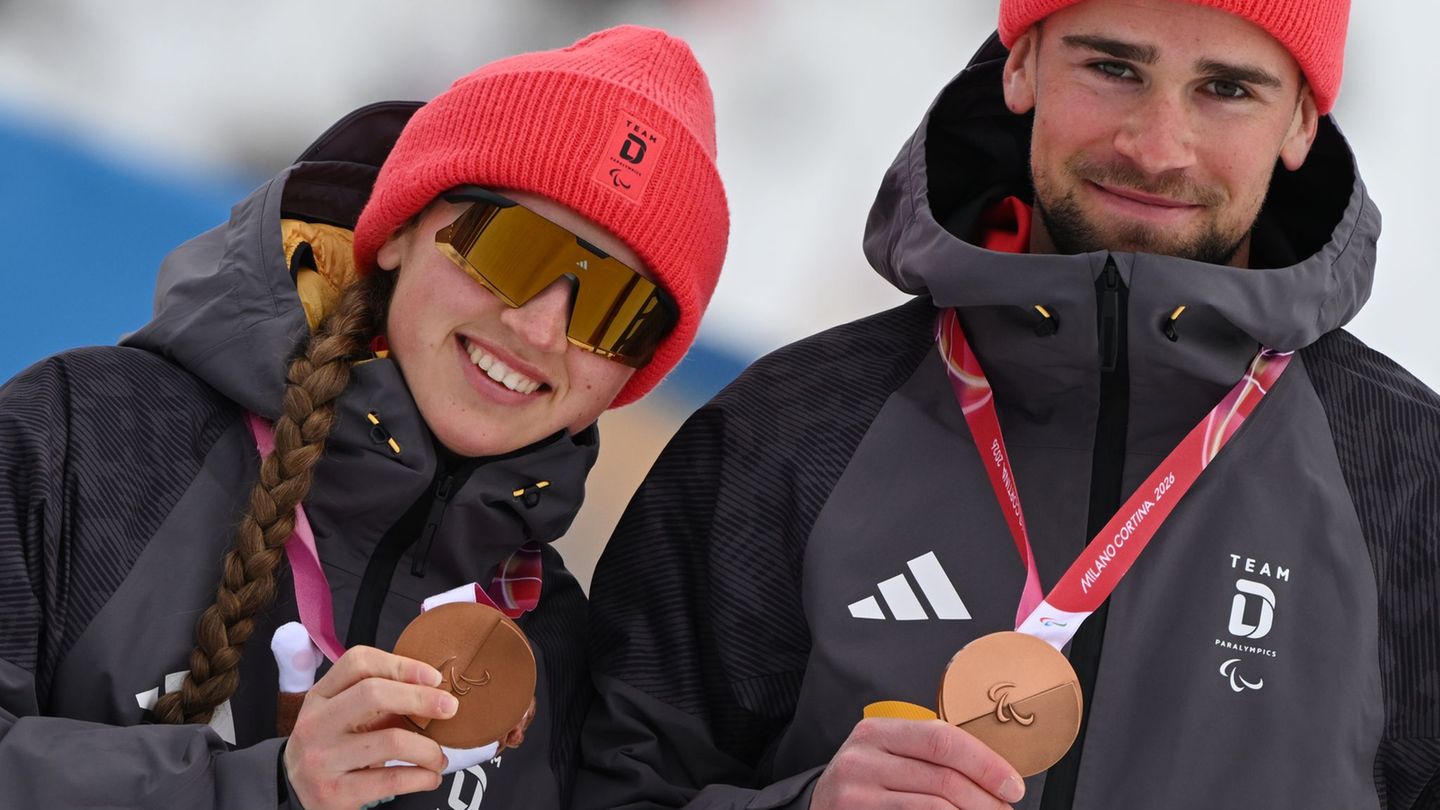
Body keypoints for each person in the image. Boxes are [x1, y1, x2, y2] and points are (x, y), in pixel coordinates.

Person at [576, 1, 1440, 808]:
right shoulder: (790, 429)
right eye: (1113, 68)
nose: (1156, 146)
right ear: (1020, 67)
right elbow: (613, 783)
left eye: (1226, 90)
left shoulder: (1407, 474)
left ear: (1300, 122)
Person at [0, 24, 728, 810]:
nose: (541, 330)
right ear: (403, 231)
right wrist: (256, 790)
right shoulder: (92, 435)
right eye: (515, 249)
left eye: (617, 310)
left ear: (632, 368)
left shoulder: (555, 651)